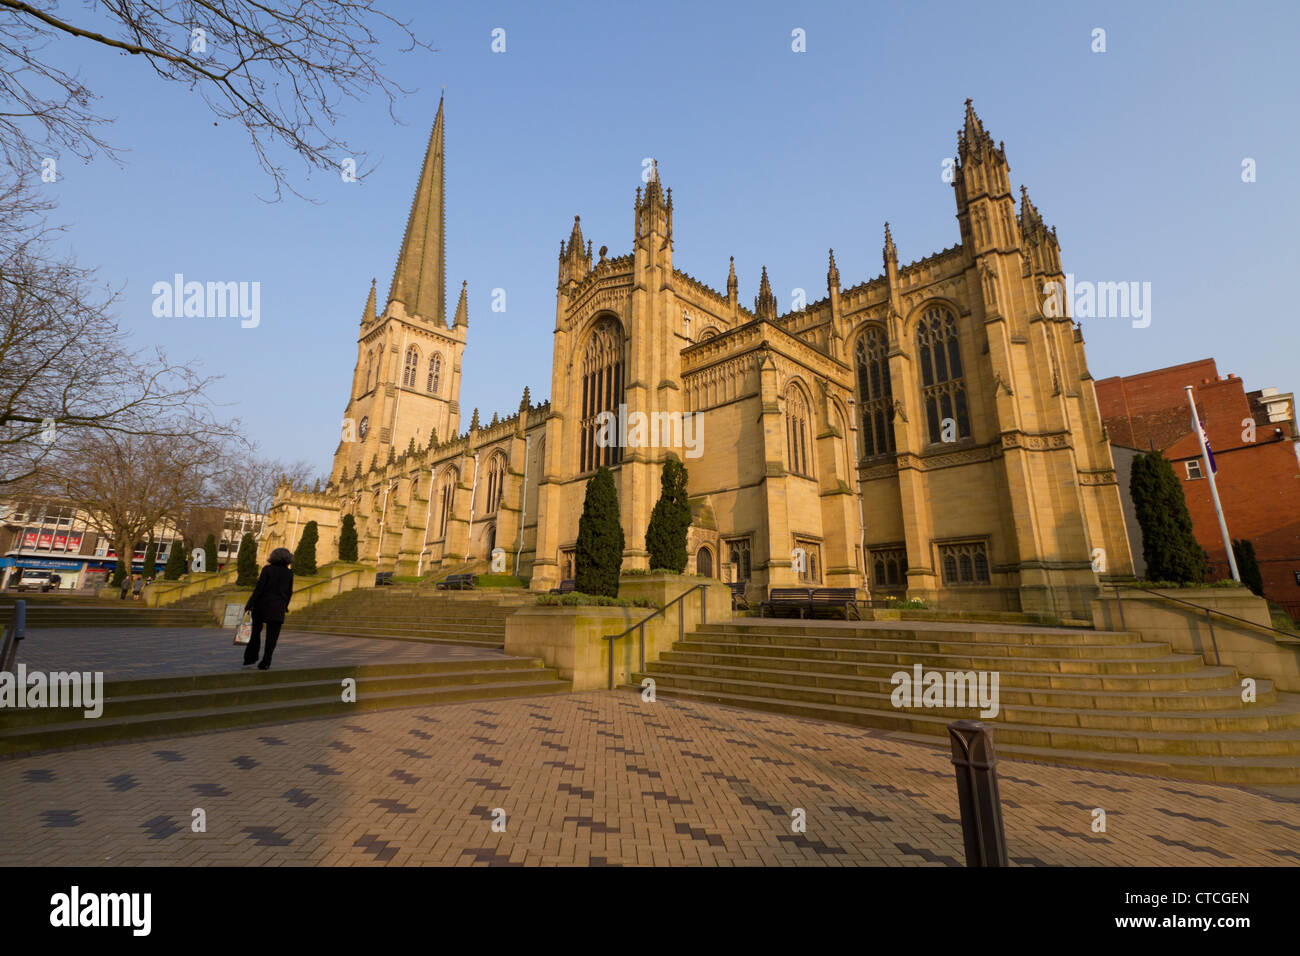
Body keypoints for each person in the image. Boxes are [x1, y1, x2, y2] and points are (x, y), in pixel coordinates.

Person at [242, 548, 294, 670]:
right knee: (272, 637)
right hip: (278, 607)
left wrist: (249, 604)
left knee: (255, 632)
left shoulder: (267, 569)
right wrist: (285, 606)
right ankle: (266, 660)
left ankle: (251, 656)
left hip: (262, 605)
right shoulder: (289, 573)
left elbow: (259, 588)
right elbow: (289, 592)